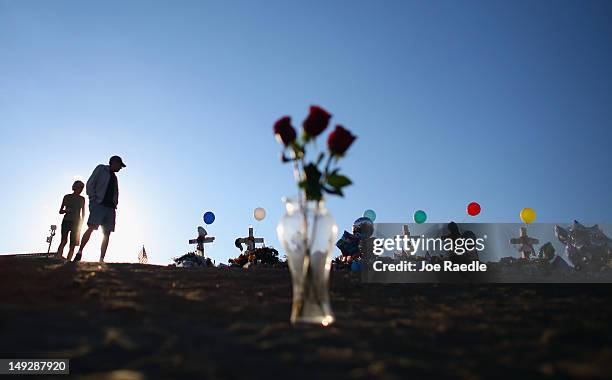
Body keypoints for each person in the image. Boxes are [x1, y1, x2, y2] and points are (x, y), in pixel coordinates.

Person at [74, 155, 126, 262]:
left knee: (107, 233)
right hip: (99, 204)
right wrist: (93, 199)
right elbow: (90, 183)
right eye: (119, 165)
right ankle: (80, 251)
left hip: (110, 208)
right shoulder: (101, 169)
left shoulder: (115, 178)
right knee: (91, 227)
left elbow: (115, 192)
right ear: (114, 162)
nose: (120, 168)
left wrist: (115, 204)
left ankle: (101, 259)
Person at [57, 180, 86, 260]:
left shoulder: (82, 199)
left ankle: (68, 261)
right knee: (64, 241)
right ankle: (58, 258)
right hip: (66, 220)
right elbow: (60, 211)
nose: (80, 190)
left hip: (76, 223)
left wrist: (82, 223)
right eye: (79, 188)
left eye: (82, 188)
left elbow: (83, 212)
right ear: (74, 187)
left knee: (73, 244)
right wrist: (67, 210)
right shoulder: (67, 197)